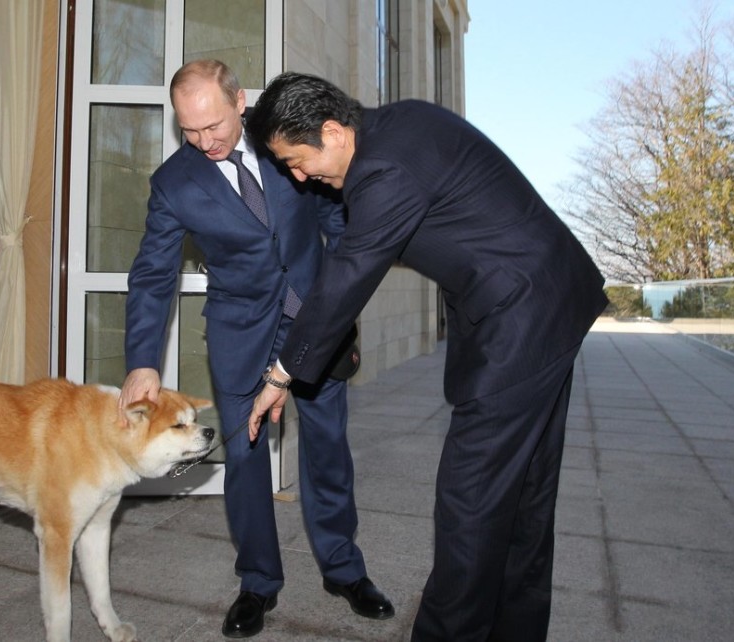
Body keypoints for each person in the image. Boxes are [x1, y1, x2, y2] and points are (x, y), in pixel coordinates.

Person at [246, 72, 609, 641]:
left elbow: (349, 273)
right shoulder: (397, 125)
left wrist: (281, 372)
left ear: (334, 131)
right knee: (523, 500)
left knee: (471, 505)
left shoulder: (382, 170)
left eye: (296, 160)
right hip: (545, 303)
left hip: (521, 318)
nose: (298, 176)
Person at [118, 60, 393, 639]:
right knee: (244, 459)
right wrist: (143, 360)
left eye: (213, 125)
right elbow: (151, 274)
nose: (205, 141)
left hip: (313, 318)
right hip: (241, 329)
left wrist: (340, 285)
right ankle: (258, 583)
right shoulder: (174, 183)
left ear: (239, 100)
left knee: (327, 445)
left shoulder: (279, 142)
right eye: (189, 131)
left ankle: (343, 570)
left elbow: (332, 208)